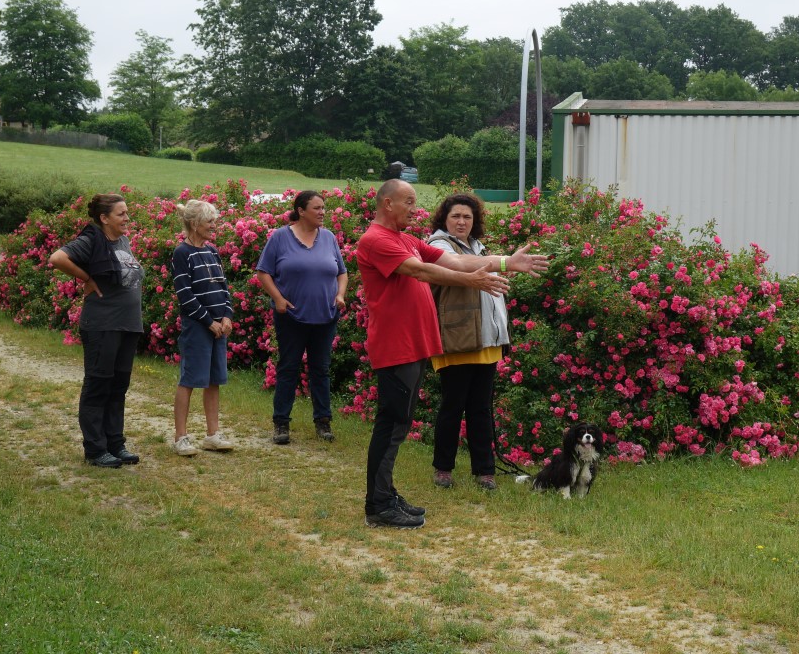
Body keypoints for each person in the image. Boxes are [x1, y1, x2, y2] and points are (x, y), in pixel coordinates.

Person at [356, 179, 548, 529]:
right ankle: (378, 505)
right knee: (391, 425)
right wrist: (472, 281)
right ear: (387, 203)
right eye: (408, 202)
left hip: (413, 346)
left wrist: (506, 262)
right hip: (396, 347)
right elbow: (421, 271)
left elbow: (455, 260)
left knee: (399, 425)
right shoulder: (376, 240)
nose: (415, 209)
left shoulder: (405, 239)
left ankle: (385, 494)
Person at [49, 193, 144, 468]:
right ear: (104, 218)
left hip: (127, 324)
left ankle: (115, 444)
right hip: (103, 324)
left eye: (127, 213)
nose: (127, 218)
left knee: (118, 387)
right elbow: (57, 258)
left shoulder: (122, 241)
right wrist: (86, 278)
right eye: (121, 214)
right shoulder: (91, 239)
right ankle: (95, 449)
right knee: (98, 385)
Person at [427, 193, 510, 491]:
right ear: (444, 219)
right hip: (457, 339)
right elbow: (458, 264)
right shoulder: (438, 245)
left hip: (486, 342)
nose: (461, 222)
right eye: (455, 216)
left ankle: (485, 471)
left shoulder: (478, 247)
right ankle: (443, 469)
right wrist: (506, 262)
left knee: (481, 409)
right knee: (452, 407)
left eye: (467, 217)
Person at [256, 190, 348, 445]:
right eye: (317, 208)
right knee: (288, 367)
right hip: (291, 317)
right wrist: (278, 298)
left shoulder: (328, 237)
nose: (322, 212)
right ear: (301, 211)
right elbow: (263, 272)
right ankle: (281, 424)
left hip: (325, 316)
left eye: (323, 208)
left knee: (321, 369)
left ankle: (323, 422)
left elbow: (341, 272)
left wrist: (340, 294)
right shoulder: (280, 237)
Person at [170, 199, 235, 456]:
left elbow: (224, 287)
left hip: (219, 327)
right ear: (195, 224)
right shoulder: (182, 253)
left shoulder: (212, 252)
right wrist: (209, 322)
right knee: (189, 380)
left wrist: (227, 316)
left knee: (214, 380)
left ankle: (212, 435)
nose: (214, 225)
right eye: (209, 221)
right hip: (198, 326)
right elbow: (185, 295)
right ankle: (181, 437)